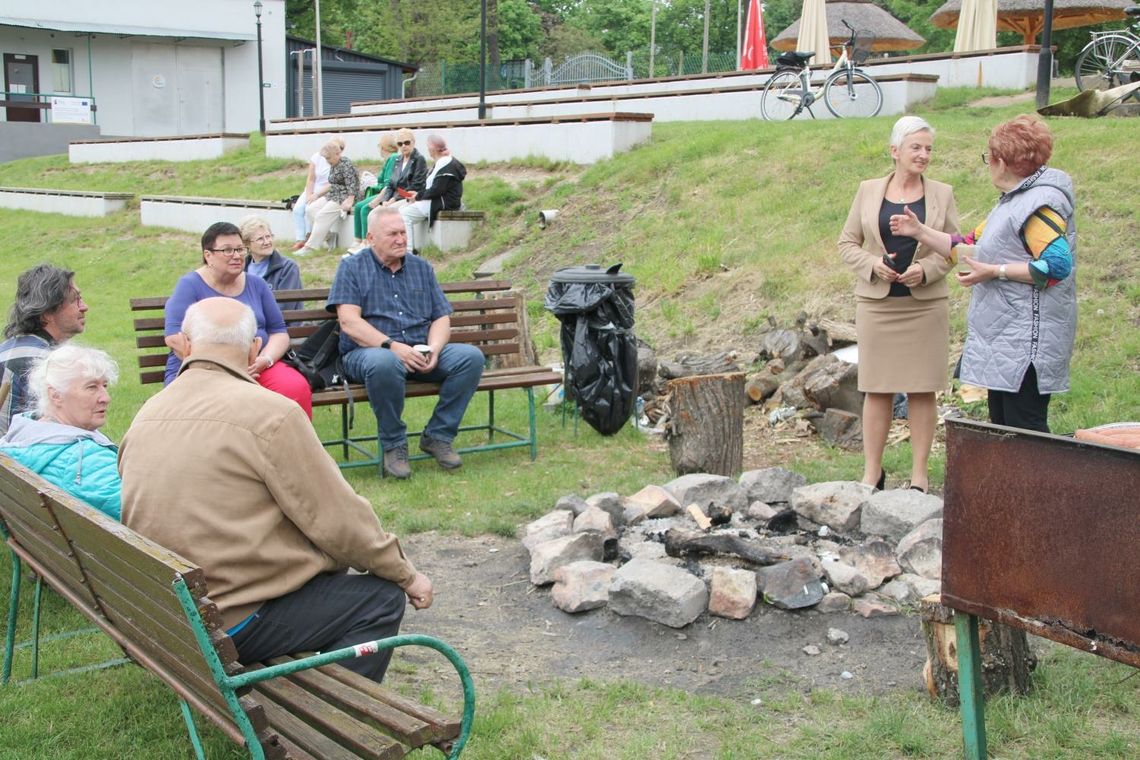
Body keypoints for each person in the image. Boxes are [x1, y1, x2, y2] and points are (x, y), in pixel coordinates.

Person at [120, 298, 433, 682]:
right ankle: (338, 713)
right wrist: (406, 575)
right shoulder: (270, 413)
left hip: (163, 613)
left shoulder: (148, 413)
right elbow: (339, 520)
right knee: (380, 599)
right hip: (225, 622)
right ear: (254, 348)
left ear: (185, 345)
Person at [889, 114, 1076, 434]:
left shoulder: (1039, 207)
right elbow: (965, 244)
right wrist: (919, 231)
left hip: (1027, 343)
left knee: (1025, 429)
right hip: (1005, 339)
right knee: (1003, 426)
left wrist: (995, 271)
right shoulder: (1013, 202)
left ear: (1001, 161)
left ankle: (1039, 485)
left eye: (989, 157)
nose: (988, 163)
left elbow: (1057, 266)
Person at [838, 116, 959, 493]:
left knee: (923, 388)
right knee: (877, 388)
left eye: (928, 149)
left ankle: (920, 477)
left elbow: (954, 250)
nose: (923, 155)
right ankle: (872, 473)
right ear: (895, 152)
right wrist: (873, 264)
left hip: (924, 306)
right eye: (916, 148)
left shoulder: (942, 193)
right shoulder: (868, 190)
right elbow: (847, 244)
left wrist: (925, 269)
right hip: (878, 305)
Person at [329, 208, 484, 479]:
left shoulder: (421, 268)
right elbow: (349, 322)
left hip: (418, 351)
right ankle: (394, 444)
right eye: (393, 234)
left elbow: (441, 317)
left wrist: (435, 348)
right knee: (385, 362)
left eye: (403, 232)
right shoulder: (352, 268)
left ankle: (438, 435)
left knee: (470, 357)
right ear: (371, 237)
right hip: (368, 353)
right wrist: (392, 346)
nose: (401, 239)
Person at [164, 222, 312, 418]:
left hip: (255, 365)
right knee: (207, 404)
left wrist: (264, 360)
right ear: (208, 255)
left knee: (295, 387)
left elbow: (278, 332)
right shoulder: (189, 285)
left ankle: (289, 447)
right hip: (203, 367)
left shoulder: (257, 285)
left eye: (240, 249)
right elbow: (174, 337)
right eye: (227, 250)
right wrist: (227, 367)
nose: (236, 255)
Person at [1, 344, 121, 521]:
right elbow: (148, 516)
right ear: (56, 395)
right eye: (91, 387)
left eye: (104, 385)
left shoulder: (17, 440)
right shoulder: (84, 461)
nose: (105, 398)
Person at [0, 264, 88, 435]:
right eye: (74, 300)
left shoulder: (5, 349)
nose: (84, 306)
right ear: (46, 312)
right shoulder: (49, 362)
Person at [399, 134, 467, 254]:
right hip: (438, 199)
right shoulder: (443, 161)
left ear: (432, 149)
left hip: (443, 202)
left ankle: (408, 252)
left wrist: (418, 196)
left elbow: (437, 190)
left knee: (404, 215)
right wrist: (418, 194)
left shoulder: (445, 163)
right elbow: (433, 188)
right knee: (402, 209)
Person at [297, 139, 360, 255]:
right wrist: (317, 195)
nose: (327, 161)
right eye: (326, 159)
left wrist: (350, 200)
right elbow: (332, 184)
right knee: (311, 209)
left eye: (329, 158)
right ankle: (330, 237)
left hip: (344, 196)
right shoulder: (334, 164)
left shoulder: (346, 164)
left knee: (321, 216)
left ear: (337, 154)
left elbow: (352, 184)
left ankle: (310, 247)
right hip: (333, 194)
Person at [239, 215, 304, 310]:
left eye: (268, 236)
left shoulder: (287, 267)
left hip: (281, 322)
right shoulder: (241, 269)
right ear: (247, 244)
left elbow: (285, 306)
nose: (267, 242)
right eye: (260, 239)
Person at [290, 137, 344, 251]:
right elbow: (311, 179)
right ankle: (300, 239)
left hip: (325, 192)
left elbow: (334, 183)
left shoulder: (340, 162)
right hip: (312, 189)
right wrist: (309, 194)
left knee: (310, 209)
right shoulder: (317, 157)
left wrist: (317, 195)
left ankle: (309, 237)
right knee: (298, 209)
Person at [351, 132, 400, 247]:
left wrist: (377, 199)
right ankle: (357, 240)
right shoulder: (389, 159)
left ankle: (365, 242)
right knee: (358, 206)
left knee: (365, 209)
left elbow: (388, 184)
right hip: (383, 190)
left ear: (383, 147)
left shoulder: (393, 158)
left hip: (387, 193)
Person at [374, 128, 427, 208]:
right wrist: (385, 200)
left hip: (408, 198)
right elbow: (390, 185)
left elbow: (416, 185)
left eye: (407, 142)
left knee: (386, 211)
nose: (403, 146)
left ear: (413, 142)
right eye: (400, 144)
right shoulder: (398, 160)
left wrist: (394, 199)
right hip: (394, 198)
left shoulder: (419, 159)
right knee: (373, 214)